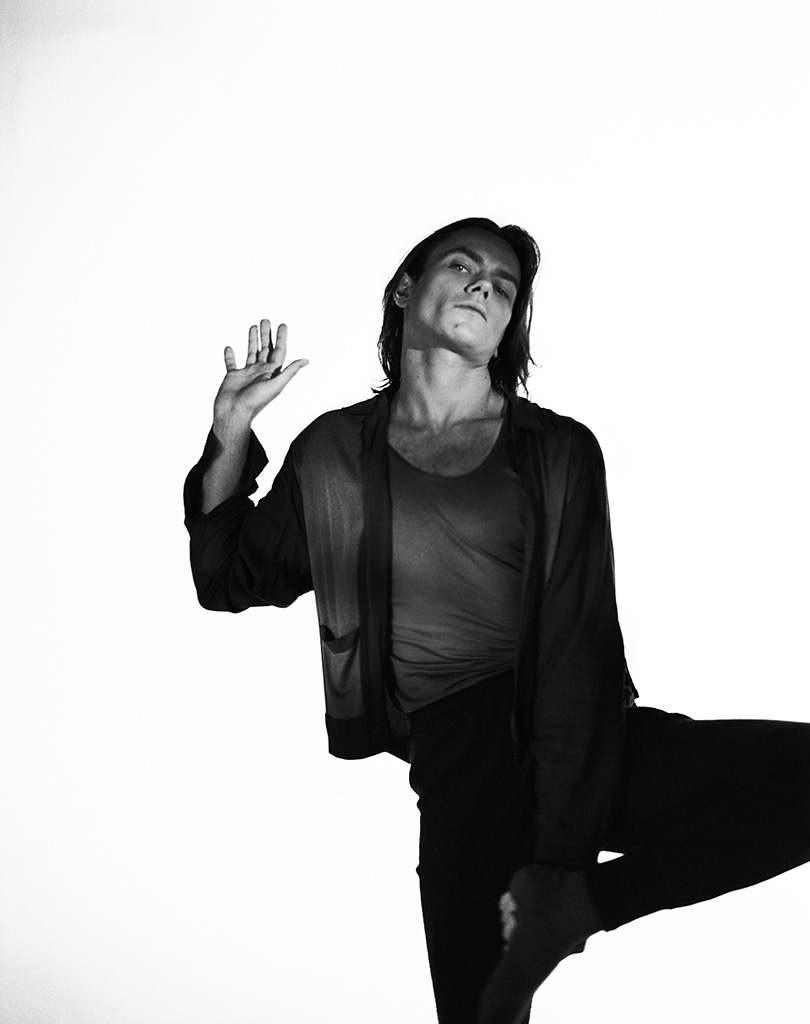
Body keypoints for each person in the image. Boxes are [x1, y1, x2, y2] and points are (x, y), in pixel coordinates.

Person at [184, 217, 810, 1024]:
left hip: (574, 733)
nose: (485, 284)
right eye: (462, 265)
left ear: (509, 323)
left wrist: (564, 869)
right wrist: (231, 431)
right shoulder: (333, 451)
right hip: (459, 762)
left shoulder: (556, 450)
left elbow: (580, 643)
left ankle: (580, 904)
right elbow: (229, 577)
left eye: (505, 285)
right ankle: (560, 910)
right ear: (405, 289)